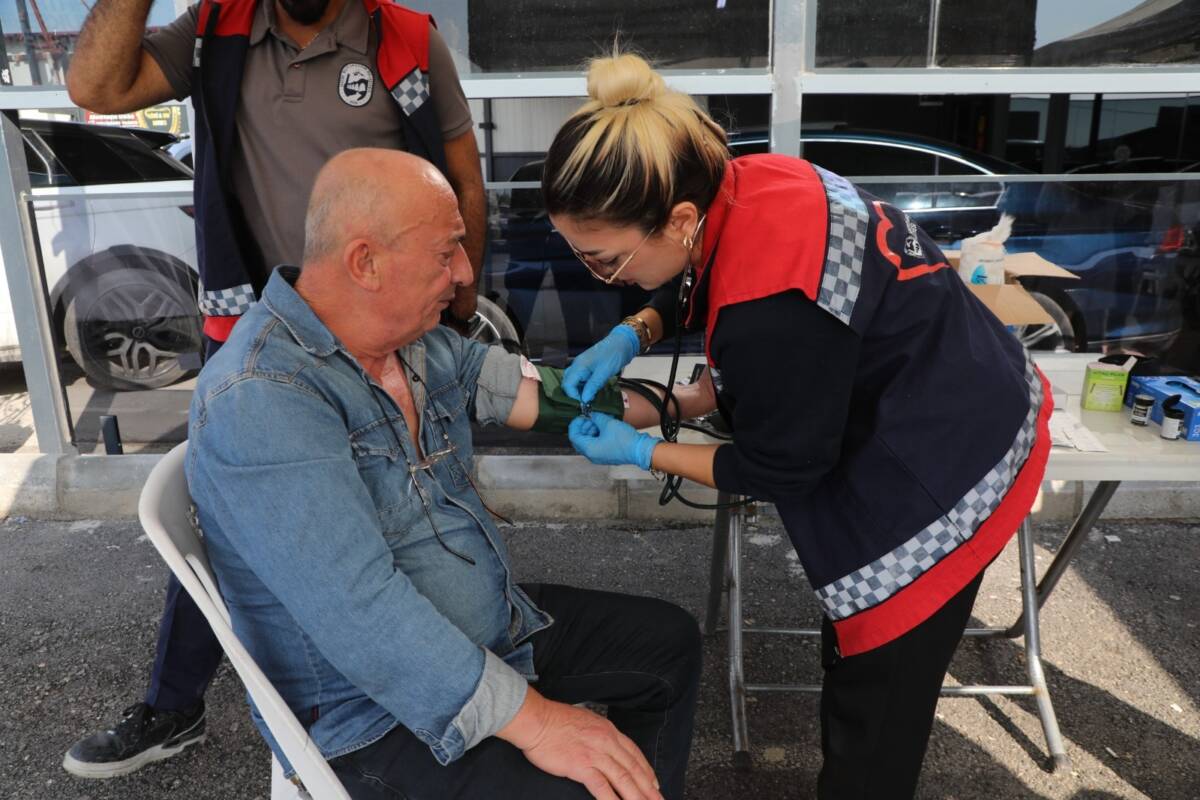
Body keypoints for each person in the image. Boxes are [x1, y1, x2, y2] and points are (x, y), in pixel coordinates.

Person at [543, 53, 1053, 799]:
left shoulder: (766, 308)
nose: (602, 279)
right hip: (964, 376)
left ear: (679, 217)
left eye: (606, 261)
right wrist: (642, 335)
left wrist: (645, 448)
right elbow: (730, 291)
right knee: (855, 660)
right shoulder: (752, 180)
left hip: (945, 460)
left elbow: (782, 466)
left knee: (875, 710)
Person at [187, 148, 703, 799]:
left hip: (488, 635)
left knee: (668, 647)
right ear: (365, 262)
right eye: (445, 253)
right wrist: (540, 724)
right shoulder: (265, 397)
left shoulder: (409, 341)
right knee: (580, 788)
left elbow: (538, 394)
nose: (464, 275)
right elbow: (364, 617)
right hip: (374, 715)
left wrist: (686, 401)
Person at [64, 0, 487, 777]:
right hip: (264, 329)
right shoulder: (216, 29)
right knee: (233, 521)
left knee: (397, 518)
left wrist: (455, 305)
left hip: (379, 331)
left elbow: (460, 178)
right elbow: (95, 82)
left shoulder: (404, 37)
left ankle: (437, 681)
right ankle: (174, 703)